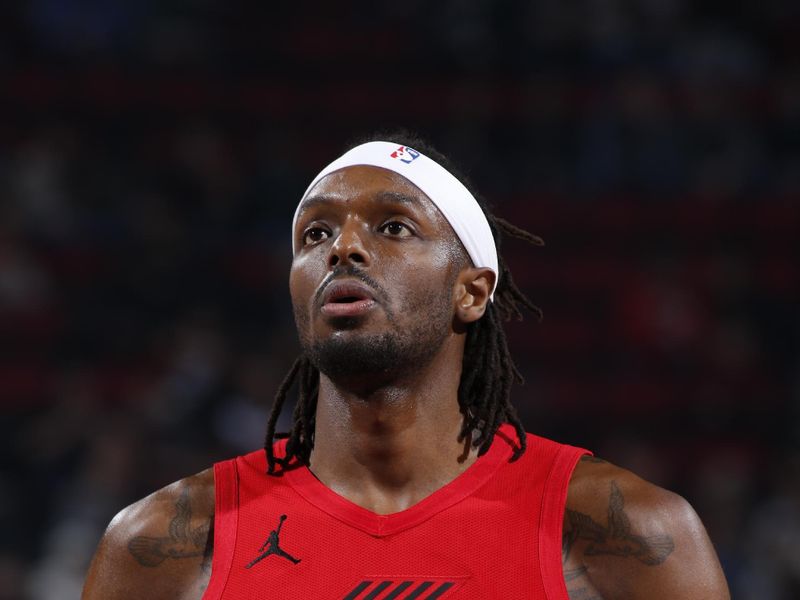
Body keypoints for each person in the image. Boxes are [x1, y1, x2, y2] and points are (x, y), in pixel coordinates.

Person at [82, 133, 731, 599]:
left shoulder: (625, 534)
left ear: (472, 291)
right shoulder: (165, 545)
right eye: (315, 234)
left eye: (393, 227)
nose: (344, 248)